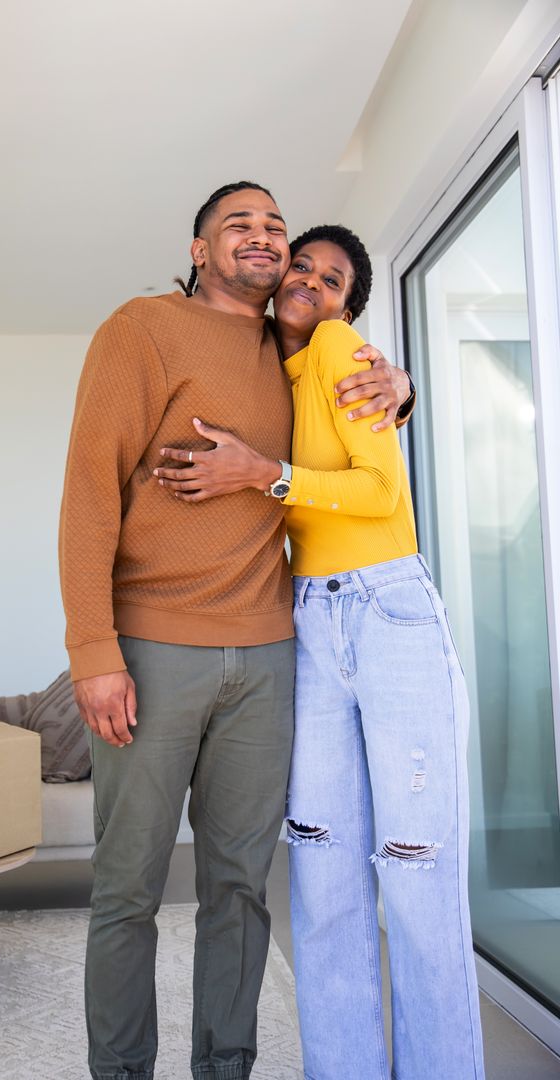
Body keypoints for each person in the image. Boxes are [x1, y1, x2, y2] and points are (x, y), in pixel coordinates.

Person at [59, 184, 412, 1080]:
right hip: (152, 650)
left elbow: (348, 429)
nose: (263, 236)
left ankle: (226, 1067)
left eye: (275, 226)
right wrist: (93, 651)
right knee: (128, 888)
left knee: (241, 891)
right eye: (239, 225)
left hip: (269, 655)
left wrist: (403, 387)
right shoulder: (141, 329)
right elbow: (91, 496)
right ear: (199, 248)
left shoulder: (292, 353)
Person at [154, 225, 485, 1079]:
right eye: (303, 265)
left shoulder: (340, 348)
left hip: (386, 608)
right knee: (323, 874)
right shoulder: (268, 366)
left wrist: (270, 473)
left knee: (416, 871)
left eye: (333, 280)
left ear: (348, 304)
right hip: (308, 617)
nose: (310, 282)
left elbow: (380, 494)